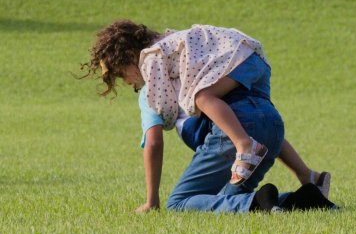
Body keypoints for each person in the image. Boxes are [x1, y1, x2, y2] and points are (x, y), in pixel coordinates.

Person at [83, 19, 331, 212]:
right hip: (271, 121)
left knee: (179, 203)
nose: (128, 83)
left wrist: (151, 201)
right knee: (229, 197)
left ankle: (248, 171)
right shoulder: (193, 60)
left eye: (122, 76)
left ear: (128, 57)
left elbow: (156, 134)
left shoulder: (153, 76)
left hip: (233, 133)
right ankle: (300, 199)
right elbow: (259, 120)